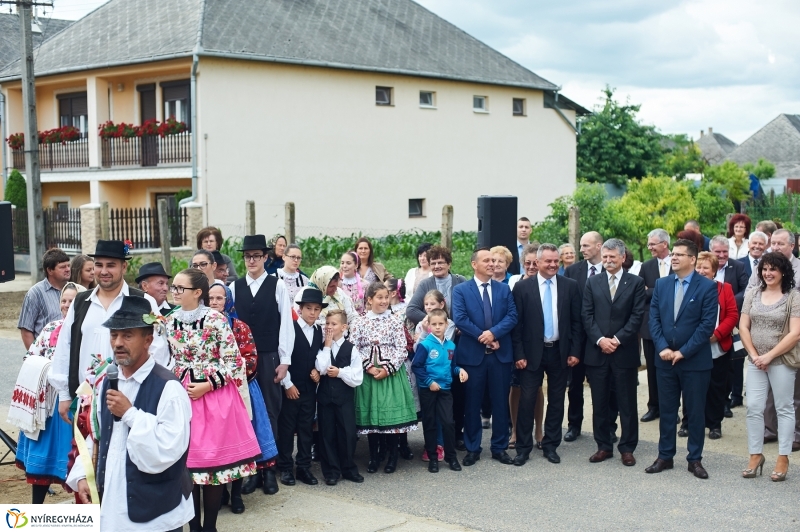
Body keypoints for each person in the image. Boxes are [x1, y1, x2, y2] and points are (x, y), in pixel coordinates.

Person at [66, 295, 194, 530]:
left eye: (127, 335)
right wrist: (83, 474)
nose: (117, 343)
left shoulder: (169, 387)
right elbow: (97, 434)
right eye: (114, 335)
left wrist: (130, 414)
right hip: (113, 503)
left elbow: (171, 446)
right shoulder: (106, 381)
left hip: (156, 512)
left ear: (148, 339)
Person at [167, 269, 261, 531]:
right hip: (181, 396)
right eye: (173, 287)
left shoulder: (216, 319)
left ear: (197, 293)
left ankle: (210, 527)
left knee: (213, 468)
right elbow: (164, 358)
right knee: (188, 468)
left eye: (180, 288)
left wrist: (208, 385)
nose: (174, 292)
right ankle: (194, 526)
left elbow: (233, 361)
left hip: (214, 397)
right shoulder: (168, 320)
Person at [51, 240, 153, 425]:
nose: (104, 271)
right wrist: (65, 394)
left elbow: (157, 351)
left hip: (130, 400)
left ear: (124, 266)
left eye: (111, 265)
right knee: (87, 453)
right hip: (86, 402)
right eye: (99, 265)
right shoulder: (81, 302)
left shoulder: (142, 302)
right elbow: (65, 347)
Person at [229, 234, 295, 496]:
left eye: (257, 256)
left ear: (266, 258)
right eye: (247, 256)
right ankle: (251, 471)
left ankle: (270, 471)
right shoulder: (234, 287)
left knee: (270, 411)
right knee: (246, 412)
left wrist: (285, 360)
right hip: (242, 361)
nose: (252, 260)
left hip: (268, 357)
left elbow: (286, 325)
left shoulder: (276, 285)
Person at [646, 238, 718, 479]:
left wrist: (683, 351)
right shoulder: (662, 284)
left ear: (693, 259)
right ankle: (665, 456)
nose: (673, 257)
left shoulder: (707, 287)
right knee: (667, 410)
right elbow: (654, 320)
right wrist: (663, 347)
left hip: (694, 362)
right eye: (673, 254)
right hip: (665, 360)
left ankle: (694, 459)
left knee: (695, 412)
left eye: (679, 254)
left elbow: (707, 325)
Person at [207, 283, 278, 515]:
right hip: (210, 393)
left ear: (228, 300)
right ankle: (222, 492)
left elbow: (249, 359)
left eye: (219, 298)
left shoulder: (240, 327)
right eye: (211, 298)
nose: (215, 302)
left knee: (238, 445)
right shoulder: (202, 327)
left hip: (240, 390)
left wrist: (223, 376)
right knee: (217, 445)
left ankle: (236, 495)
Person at [11, 282, 84, 504]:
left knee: (78, 465)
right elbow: (30, 357)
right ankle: (36, 513)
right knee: (41, 466)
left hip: (75, 404)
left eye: (72, 301)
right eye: (63, 300)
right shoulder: (50, 328)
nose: (66, 305)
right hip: (48, 407)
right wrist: (46, 369)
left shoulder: (86, 330)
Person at [511, 243, 582, 466]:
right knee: (527, 400)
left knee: (557, 401)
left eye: (556, 261)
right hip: (531, 354)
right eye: (548, 261)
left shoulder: (570, 286)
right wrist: (519, 354)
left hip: (560, 352)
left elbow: (576, 322)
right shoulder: (523, 288)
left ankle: (551, 445)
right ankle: (523, 448)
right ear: (538, 262)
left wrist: (574, 351)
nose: (552, 265)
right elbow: (517, 325)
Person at [581, 239, 646, 467]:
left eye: (612, 257)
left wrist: (617, 340)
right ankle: (603, 445)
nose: (608, 261)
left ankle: (627, 448)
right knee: (600, 403)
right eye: (605, 257)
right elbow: (586, 315)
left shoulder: (635, 282)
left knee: (626, 403)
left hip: (624, 352)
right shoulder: (592, 282)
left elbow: (637, 316)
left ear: (622, 258)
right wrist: (600, 340)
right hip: (597, 353)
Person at [452, 248, 518, 466]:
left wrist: (494, 333)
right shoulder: (461, 290)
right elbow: (460, 319)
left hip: (500, 356)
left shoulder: (504, 289)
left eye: (494, 260)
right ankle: (473, 448)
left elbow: (512, 316)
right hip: (472, 357)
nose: (492, 264)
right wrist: (484, 337)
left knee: (500, 403)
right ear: (474, 264)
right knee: (472, 404)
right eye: (487, 260)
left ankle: (499, 447)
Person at [739, 252, 800, 481]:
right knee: (754, 407)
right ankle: (755, 454)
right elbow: (743, 327)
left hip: (782, 360)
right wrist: (755, 355)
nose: (768, 273)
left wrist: (769, 356)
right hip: (756, 361)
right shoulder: (753, 293)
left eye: (773, 269)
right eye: (765, 269)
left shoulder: (794, 297)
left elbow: (795, 333)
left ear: (783, 271)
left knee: (784, 407)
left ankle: (783, 457)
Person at [351, 282, 418, 473]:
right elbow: (353, 347)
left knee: (390, 418)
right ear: (369, 300)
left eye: (386, 297)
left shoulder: (395, 320)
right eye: (379, 297)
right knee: (372, 416)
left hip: (390, 374)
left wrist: (387, 369)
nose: (383, 301)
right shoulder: (360, 321)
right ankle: (374, 457)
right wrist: (368, 367)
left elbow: (401, 348)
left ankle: (392, 458)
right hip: (368, 375)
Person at [749, 229, 800, 452]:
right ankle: (769, 429)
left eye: (781, 243)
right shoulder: (761, 269)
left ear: (793, 245)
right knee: (759, 401)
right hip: (757, 353)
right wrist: (755, 355)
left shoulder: (795, 281)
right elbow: (751, 291)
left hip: (788, 345)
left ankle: (793, 437)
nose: (776, 247)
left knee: (789, 397)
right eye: (774, 243)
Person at [680, 252, 737, 441]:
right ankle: (687, 423)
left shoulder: (725, 288)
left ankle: (714, 424)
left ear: (714, 271)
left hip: (717, 346)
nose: (702, 271)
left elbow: (731, 316)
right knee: (691, 387)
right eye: (699, 267)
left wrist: (717, 334)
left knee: (716, 387)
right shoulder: (686, 288)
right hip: (693, 346)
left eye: (706, 268)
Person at [278, 289, 325, 487]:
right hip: (291, 386)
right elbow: (283, 356)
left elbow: (318, 354)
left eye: (316, 309)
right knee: (287, 429)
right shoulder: (290, 329)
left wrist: (316, 370)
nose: (312, 313)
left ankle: (304, 467)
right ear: (300, 309)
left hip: (308, 389)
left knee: (306, 428)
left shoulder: (318, 331)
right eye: (308, 309)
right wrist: (287, 384)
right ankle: (286, 467)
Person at [412, 308, 467, 473]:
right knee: (429, 424)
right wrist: (429, 382)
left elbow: (453, 366)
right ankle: (433, 458)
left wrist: (460, 371)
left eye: (440, 324)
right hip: (428, 390)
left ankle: (451, 457)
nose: (437, 327)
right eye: (433, 324)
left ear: (446, 325)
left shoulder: (451, 346)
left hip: (445, 389)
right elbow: (417, 366)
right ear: (428, 326)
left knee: (448, 422)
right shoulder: (425, 345)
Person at [562, 231, 605, 442]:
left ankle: (608, 426)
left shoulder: (611, 269)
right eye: (581, 246)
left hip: (603, 338)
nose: (582, 250)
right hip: (578, 337)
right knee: (575, 384)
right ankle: (574, 424)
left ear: (599, 246)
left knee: (605, 385)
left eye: (586, 246)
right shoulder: (572, 271)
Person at [315, 309, 364, 485]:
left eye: (333, 324)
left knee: (348, 433)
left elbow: (357, 376)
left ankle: (348, 468)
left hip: (344, 398)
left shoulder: (351, 349)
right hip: (325, 398)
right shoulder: (322, 347)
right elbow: (321, 368)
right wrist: (327, 345)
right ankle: (331, 471)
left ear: (344, 327)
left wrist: (340, 372)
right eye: (327, 323)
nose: (329, 327)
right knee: (327, 434)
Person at [507, 244, 545, 451]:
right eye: (527, 263)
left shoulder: (546, 283)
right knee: (515, 388)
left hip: (538, 345)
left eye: (534, 263)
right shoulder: (515, 282)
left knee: (537, 388)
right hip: (518, 343)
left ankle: (538, 429)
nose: (531, 267)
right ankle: (515, 430)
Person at [638, 228, 672, 423]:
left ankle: (671, 408)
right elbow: (641, 293)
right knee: (652, 368)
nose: (649, 247)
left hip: (674, 325)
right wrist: (660, 290)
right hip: (650, 325)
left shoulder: (678, 263)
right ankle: (654, 406)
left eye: (652, 244)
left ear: (664, 244)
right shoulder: (647, 266)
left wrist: (652, 290)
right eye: (649, 243)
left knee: (671, 370)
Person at [18, 248, 71, 350]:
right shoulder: (35, 293)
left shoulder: (73, 290)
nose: (68, 269)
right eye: (63, 267)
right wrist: (35, 357)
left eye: (68, 265)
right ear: (50, 270)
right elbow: (26, 330)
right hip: (46, 356)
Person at [406, 246, 467, 326]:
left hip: (459, 333)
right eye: (433, 263)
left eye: (440, 262)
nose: (436, 266)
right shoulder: (425, 284)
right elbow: (411, 310)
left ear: (449, 264)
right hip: (435, 335)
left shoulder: (460, 281)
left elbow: (472, 308)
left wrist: (463, 325)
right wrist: (435, 321)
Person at [709, 235, 749, 309]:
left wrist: (731, 301)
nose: (721, 255)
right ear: (711, 251)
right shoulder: (703, 267)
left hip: (731, 309)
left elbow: (746, 289)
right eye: (718, 252)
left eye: (725, 251)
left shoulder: (738, 266)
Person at [339, 251, 368, 315]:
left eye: (348, 263)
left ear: (356, 265)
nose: (344, 266)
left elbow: (368, 305)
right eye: (342, 263)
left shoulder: (365, 284)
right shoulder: (337, 284)